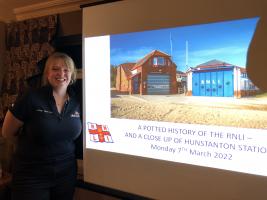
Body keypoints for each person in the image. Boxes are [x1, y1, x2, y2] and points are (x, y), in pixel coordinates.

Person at [2, 52, 82, 200]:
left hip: (66, 173)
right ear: (47, 73)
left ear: (72, 74)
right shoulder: (31, 97)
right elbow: (7, 132)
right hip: (32, 174)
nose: (61, 73)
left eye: (66, 70)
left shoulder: (77, 101)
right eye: (55, 69)